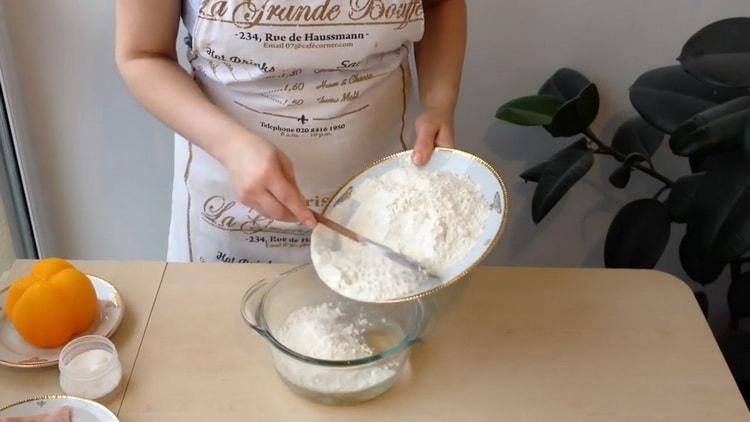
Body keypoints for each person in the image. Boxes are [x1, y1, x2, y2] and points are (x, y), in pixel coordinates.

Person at [115, 0, 466, 263]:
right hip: (229, 206)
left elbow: (440, 4)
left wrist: (439, 104)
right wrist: (230, 145)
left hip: (379, 198)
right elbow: (142, 55)